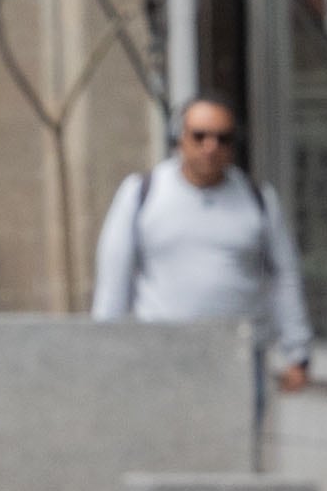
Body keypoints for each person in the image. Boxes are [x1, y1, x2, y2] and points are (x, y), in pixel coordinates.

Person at [94, 95, 315, 403]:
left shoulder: (258, 198)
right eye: (199, 136)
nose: (210, 147)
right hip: (160, 359)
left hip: (239, 360)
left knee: (237, 451)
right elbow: (113, 280)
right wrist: (105, 352)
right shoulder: (142, 193)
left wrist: (298, 351)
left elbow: (285, 276)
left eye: (222, 138)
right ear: (179, 139)